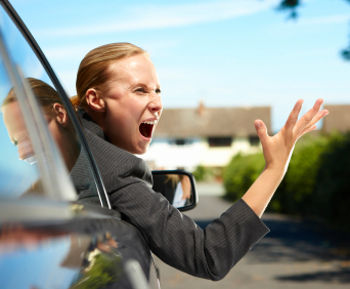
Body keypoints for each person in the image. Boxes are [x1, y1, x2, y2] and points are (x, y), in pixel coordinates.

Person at [71, 42, 329, 281]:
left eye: (158, 90)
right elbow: (207, 255)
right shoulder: (115, 170)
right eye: (140, 90)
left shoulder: (71, 148)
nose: (157, 103)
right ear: (95, 100)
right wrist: (274, 169)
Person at [2, 78, 97, 200]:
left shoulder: (109, 174)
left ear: (60, 114)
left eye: (30, 133)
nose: (22, 154)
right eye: (16, 142)